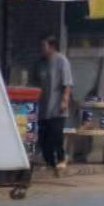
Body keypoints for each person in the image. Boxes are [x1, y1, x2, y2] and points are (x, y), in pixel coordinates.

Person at [33, 35, 74, 177]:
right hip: (43, 106)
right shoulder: (40, 63)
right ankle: (49, 162)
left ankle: (61, 158)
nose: (41, 49)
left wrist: (64, 100)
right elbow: (35, 82)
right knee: (44, 136)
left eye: (43, 46)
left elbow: (67, 83)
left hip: (57, 106)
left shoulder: (61, 61)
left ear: (51, 47)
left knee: (56, 134)